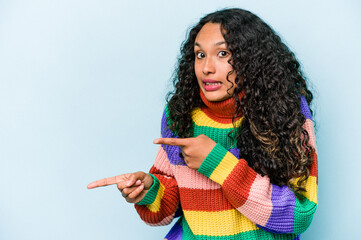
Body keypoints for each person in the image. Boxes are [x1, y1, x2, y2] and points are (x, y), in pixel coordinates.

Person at [87, 8, 318, 240]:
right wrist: (150, 191)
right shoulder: (181, 113)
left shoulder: (285, 111)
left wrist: (219, 164)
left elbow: (300, 214)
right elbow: (176, 203)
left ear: (253, 59)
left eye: (223, 53)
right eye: (200, 55)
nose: (207, 68)